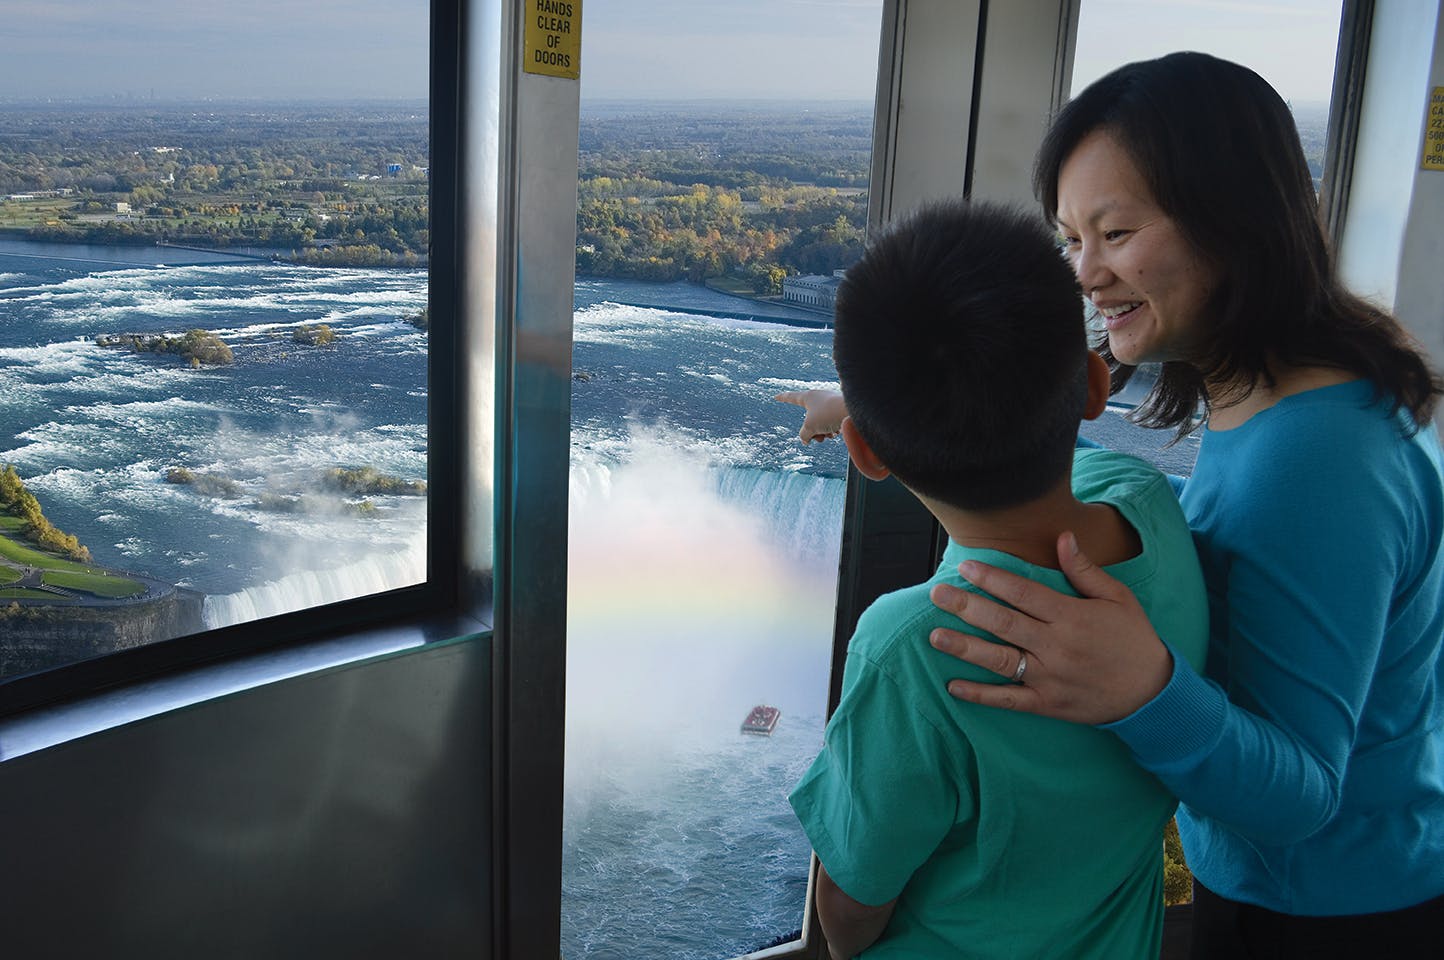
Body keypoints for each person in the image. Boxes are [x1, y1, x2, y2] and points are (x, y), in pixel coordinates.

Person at [915, 53, 1444, 957]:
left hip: (1329, 913)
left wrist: (1140, 688)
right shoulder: (1277, 392)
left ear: (1232, 223)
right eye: (1071, 238)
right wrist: (910, 405)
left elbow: (1302, 793)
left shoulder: (1316, 456)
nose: (1085, 273)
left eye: (1114, 233)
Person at [783, 199, 1209, 959]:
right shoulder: (1147, 506)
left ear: (866, 455)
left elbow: (851, 905)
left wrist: (862, 411)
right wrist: (853, 410)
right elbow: (1048, 441)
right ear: (1092, 386)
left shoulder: (914, 644)